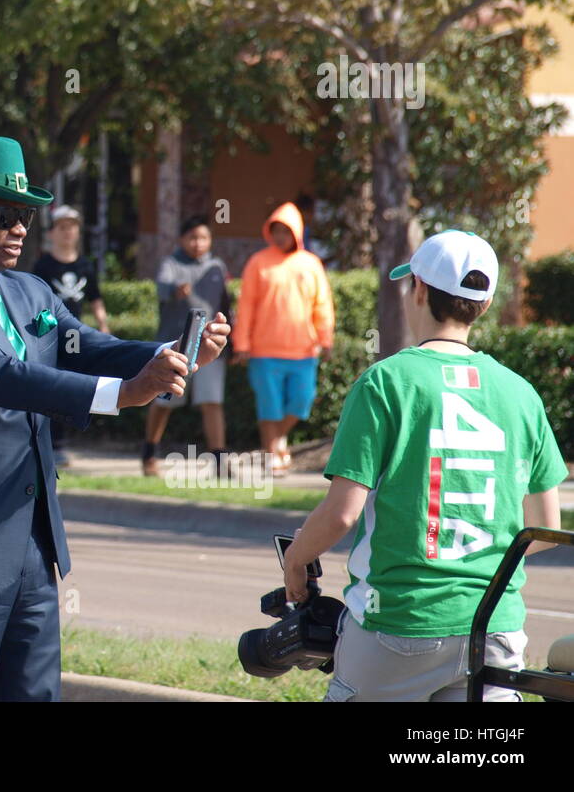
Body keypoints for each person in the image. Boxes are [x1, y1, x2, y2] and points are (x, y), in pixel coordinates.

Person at [0, 134, 229, 701]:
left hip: (31, 550)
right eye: (5, 213)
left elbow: (86, 344)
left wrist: (169, 353)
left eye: (26, 215)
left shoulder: (27, 289)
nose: (20, 228)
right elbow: (0, 376)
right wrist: (124, 394)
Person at [282, 230, 567, 702]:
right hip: (494, 631)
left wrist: (296, 559)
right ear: (487, 301)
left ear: (418, 288)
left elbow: (341, 515)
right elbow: (543, 528)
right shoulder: (521, 393)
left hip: (395, 626)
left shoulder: (385, 382)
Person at [231, 201, 334, 476]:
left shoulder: (311, 264)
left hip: (303, 351)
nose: (280, 237)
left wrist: (326, 338)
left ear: (297, 232)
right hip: (264, 352)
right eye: (276, 231)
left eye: (285, 231)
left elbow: (321, 304)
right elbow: (246, 306)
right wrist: (241, 345)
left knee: (302, 401)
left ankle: (277, 442)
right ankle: (272, 454)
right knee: (269, 406)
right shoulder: (258, 262)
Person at [143, 214, 232, 476]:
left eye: (203, 237)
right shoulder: (170, 264)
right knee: (162, 401)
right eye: (192, 237)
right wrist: (173, 290)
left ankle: (219, 462)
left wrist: (233, 342)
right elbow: (161, 287)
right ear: (182, 239)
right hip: (174, 347)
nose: (198, 243)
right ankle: (149, 452)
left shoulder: (216, 266)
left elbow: (227, 305)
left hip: (210, 348)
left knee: (212, 402)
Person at [32, 204, 110, 467]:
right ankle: (47, 442)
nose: (68, 233)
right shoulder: (42, 266)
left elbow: (96, 299)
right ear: (51, 232)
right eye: (62, 227)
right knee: (50, 385)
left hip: (76, 338)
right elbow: (32, 301)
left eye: (73, 227)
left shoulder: (85, 266)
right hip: (48, 336)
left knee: (71, 386)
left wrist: (103, 326)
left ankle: (61, 442)